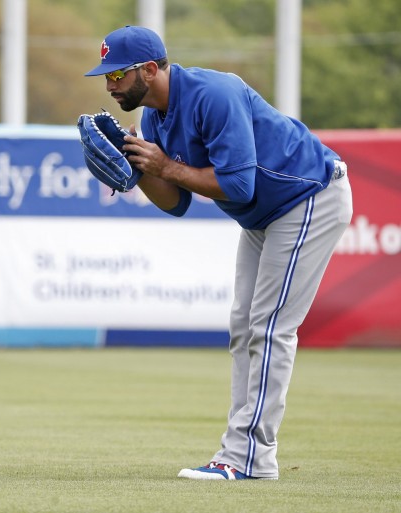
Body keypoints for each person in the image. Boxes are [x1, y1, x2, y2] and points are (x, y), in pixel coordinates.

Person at [84, 26, 352, 480]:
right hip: (264, 216)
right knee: (243, 326)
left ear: (150, 70)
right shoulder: (153, 120)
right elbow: (177, 202)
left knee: (269, 329)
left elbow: (239, 185)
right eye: (107, 76)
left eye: (118, 74)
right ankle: (249, 456)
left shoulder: (214, 94)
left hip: (310, 197)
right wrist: (139, 166)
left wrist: (166, 165)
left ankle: (247, 457)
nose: (110, 85)